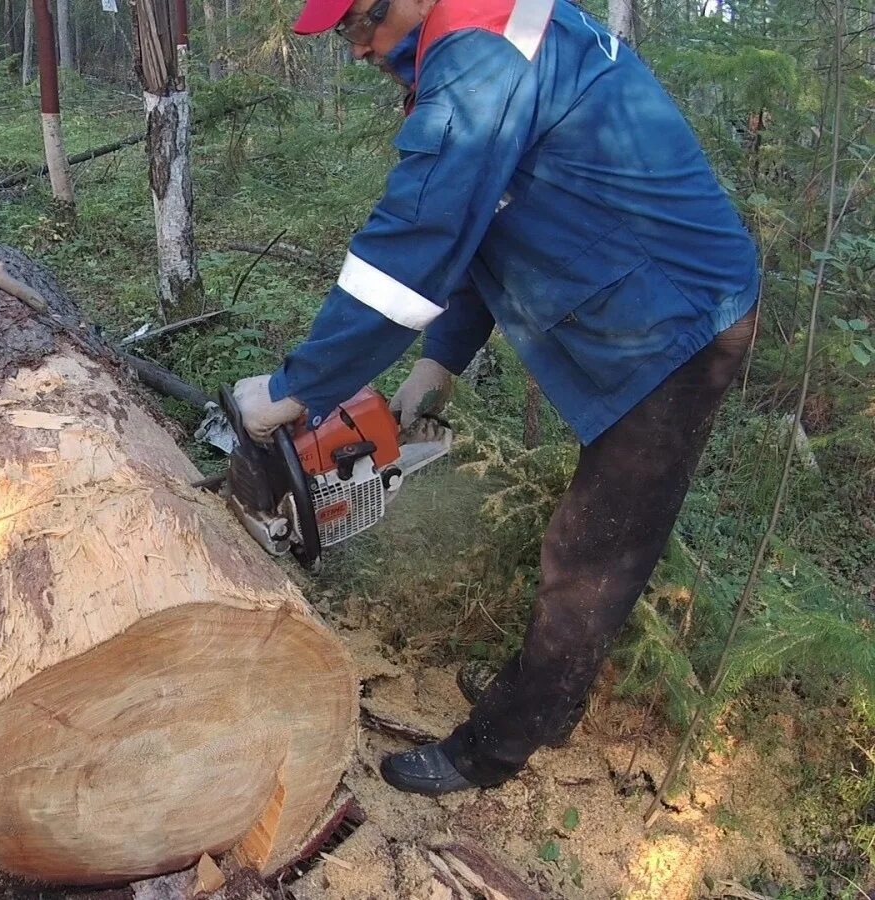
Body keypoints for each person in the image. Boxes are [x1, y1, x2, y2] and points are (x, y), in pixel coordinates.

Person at [233, 0, 760, 794]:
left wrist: (297, 387)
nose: (356, 51)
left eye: (355, 28)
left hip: (676, 321)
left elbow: (414, 246)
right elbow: (492, 215)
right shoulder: (473, 38)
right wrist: (440, 360)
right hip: (637, 296)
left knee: (589, 555)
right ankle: (548, 704)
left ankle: (494, 751)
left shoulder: (478, 62)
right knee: (592, 543)